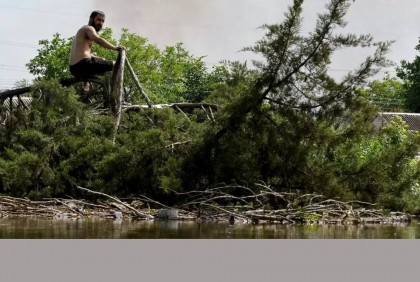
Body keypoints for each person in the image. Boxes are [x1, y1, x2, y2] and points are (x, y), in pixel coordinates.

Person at [69, 10, 125, 91]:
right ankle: (116, 92)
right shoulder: (89, 28)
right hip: (83, 65)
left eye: (103, 21)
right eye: (98, 20)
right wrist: (115, 48)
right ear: (91, 19)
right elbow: (98, 40)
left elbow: (83, 52)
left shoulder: (81, 31)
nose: (100, 23)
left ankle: (87, 88)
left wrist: (95, 57)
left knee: (102, 66)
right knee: (116, 64)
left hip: (74, 68)